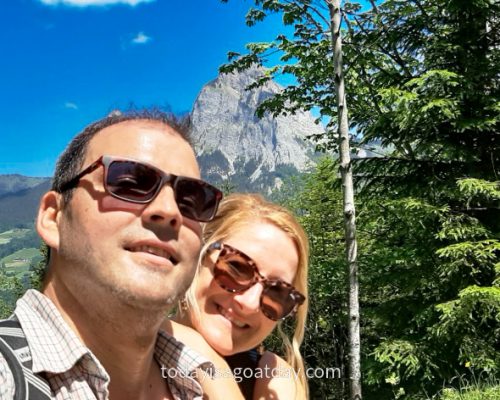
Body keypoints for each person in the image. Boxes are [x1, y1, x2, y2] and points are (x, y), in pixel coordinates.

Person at [0, 109, 225, 399]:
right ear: (53, 218)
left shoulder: (201, 384)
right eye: (129, 183)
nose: (170, 211)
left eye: (193, 199)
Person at [169, 193, 309, 399]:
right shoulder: (120, 354)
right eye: (236, 268)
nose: (249, 303)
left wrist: (209, 366)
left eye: (278, 294)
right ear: (197, 254)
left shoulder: (275, 381)